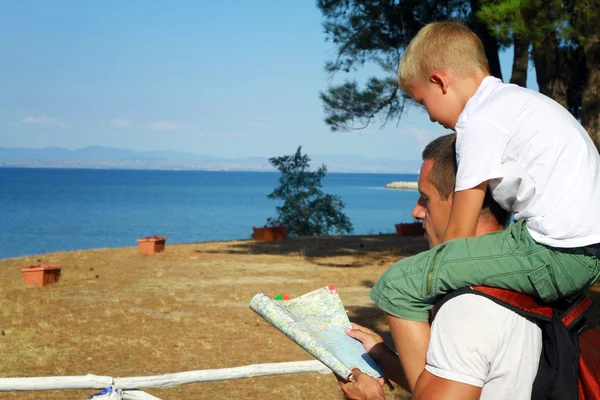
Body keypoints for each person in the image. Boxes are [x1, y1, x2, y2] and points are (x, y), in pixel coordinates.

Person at [368, 21, 600, 391]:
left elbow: (458, 234)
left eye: (422, 101)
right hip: (576, 248)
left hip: (553, 254)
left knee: (398, 284)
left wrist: (434, 289)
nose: (428, 116)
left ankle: (427, 390)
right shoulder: (519, 102)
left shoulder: (478, 120)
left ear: (441, 81)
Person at [339, 134, 542, 400]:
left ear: (465, 202)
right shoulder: (525, 276)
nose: (416, 212)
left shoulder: (467, 308)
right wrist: (381, 354)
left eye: (425, 199)